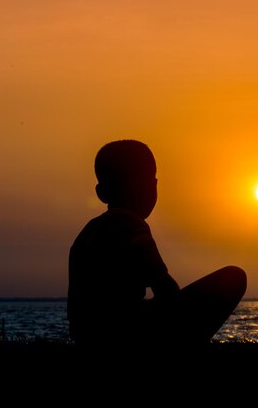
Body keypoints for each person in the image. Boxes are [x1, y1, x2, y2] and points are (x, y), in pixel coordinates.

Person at [68, 140, 246, 345]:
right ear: (153, 188)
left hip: (87, 338)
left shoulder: (86, 234)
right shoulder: (132, 226)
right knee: (234, 278)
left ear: (102, 192)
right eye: (146, 183)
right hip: (127, 334)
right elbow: (164, 287)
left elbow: (76, 310)